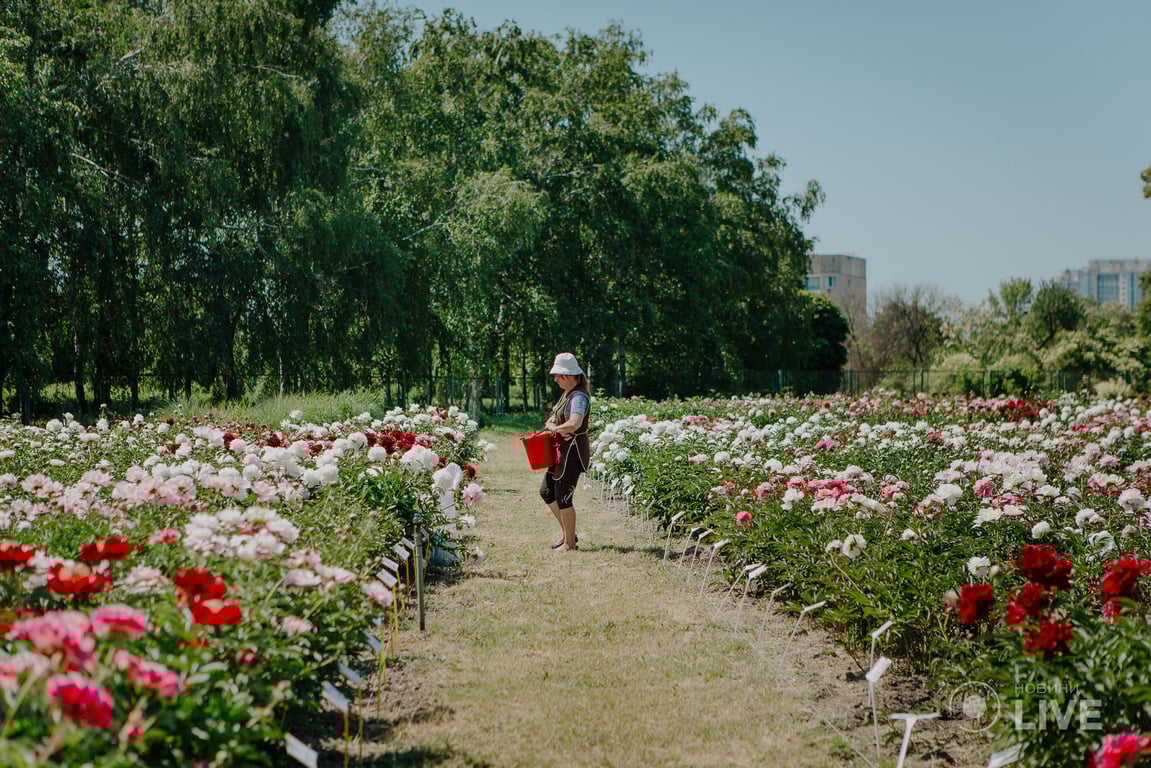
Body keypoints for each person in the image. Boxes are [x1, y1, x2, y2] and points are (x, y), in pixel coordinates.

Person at [540, 352, 591, 552]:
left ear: (569, 376)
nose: (555, 379)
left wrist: (555, 428)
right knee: (546, 490)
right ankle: (568, 534)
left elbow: (575, 423)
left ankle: (570, 543)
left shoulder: (578, 396)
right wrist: (553, 424)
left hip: (573, 453)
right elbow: (554, 418)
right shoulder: (567, 394)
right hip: (561, 450)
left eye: (558, 375)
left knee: (563, 495)